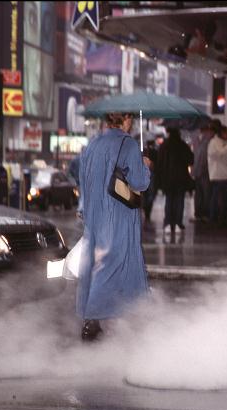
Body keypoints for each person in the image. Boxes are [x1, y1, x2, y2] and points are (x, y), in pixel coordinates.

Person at [77, 112, 152, 342]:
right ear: (126, 119)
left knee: (97, 261)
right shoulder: (127, 144)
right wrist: (145, 165)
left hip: (94, 214)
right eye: (131, 119)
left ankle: (110, 313)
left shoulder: (92, 145)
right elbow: (140, 182)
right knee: (116, 262)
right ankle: (94, 317)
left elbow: (82, 178)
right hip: (118, 215)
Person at [155, 127, 194, 234]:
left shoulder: (164, 146)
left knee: (169, 200)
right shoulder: (182, 145)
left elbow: (159, 163)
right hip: (181, 178)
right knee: (179, 200)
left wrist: (159, 179)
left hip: (167, 178)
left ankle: (168, 222)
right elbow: (191, 159)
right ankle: (178, 223)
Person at [208, 122, 227, 226]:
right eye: (226, 133)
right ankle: (213, 219)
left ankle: (224, 219)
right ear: (221, 133)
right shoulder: (213, 143)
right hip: (218, 176)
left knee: (226, 200)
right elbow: (219, 153)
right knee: (216, 198)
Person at [191, 123, 213, 222]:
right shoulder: (198, 139)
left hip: (202, 170)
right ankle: (200, 213)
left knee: (203, 193)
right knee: (201, 193)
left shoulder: (206, 139)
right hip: (200, 170)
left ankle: (202, 213)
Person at [142, 139, 159, 223]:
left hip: (150, 174)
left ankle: (147, 208)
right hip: (149, 174)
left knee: (149, 193)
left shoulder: (146, 151)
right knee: (149, 193)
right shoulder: (144, 152)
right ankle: (147, 208)